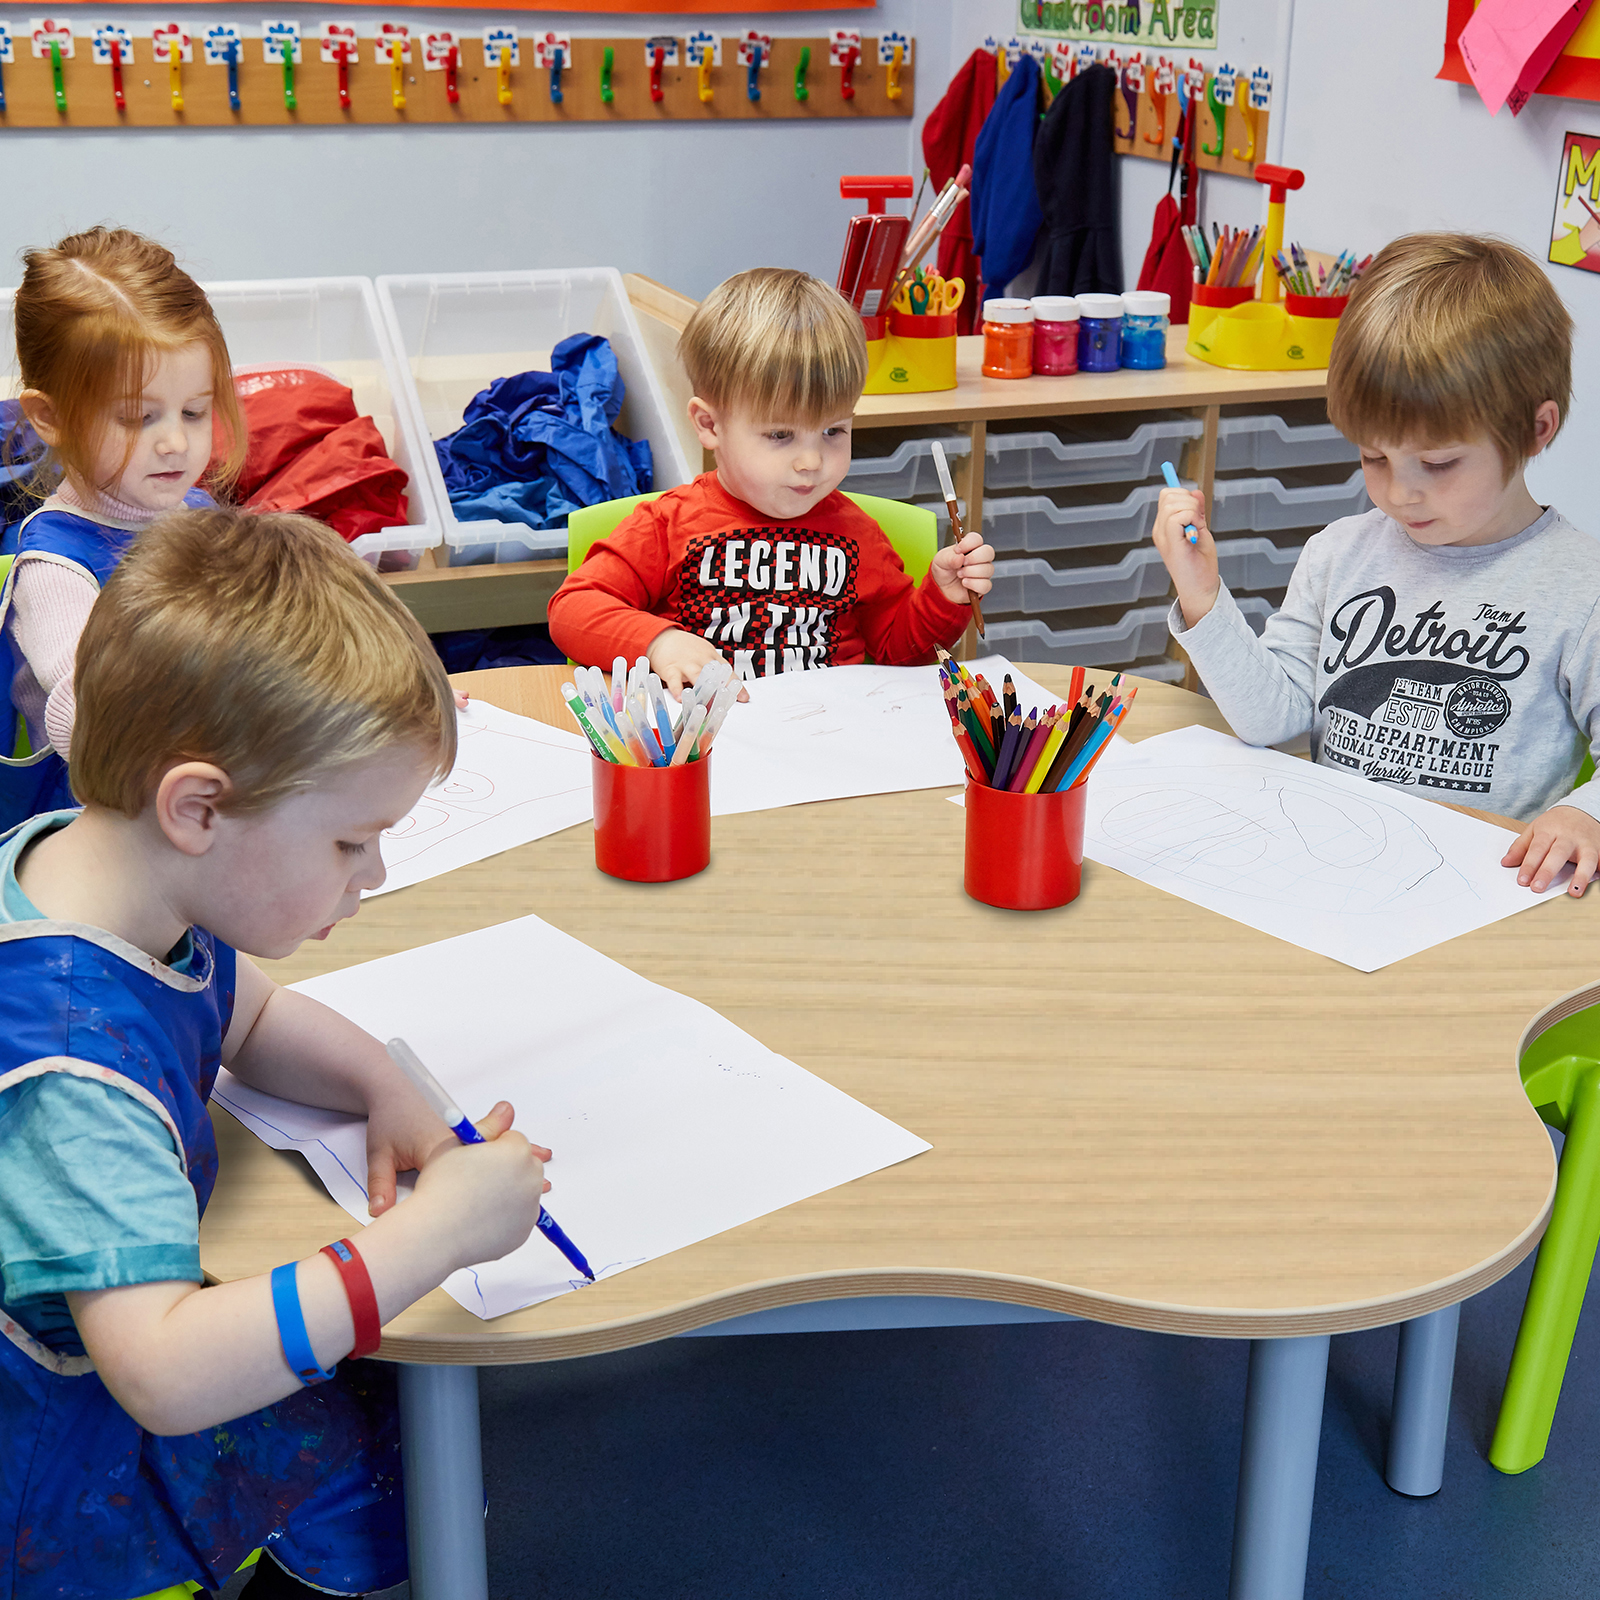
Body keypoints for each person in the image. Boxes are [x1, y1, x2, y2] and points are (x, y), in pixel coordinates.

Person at [0, 508, 550, 1599]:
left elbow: (244, 1018)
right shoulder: (71, 1074)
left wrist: (378, 1081)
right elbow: (165, 1373)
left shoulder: (110, 873)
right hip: (70, 1469)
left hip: (137, 1338)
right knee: (389, 1459)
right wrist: (436, 1235)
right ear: (199, 807)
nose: (372, 875)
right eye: (350, 841)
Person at [1150, 232, 1600, 898]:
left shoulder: (1582, 588)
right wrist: (1201, 594)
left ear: (1537, 430)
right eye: (1373, 457)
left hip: (1484, 896)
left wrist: (1585, 814)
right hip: (1336, 876)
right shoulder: (1340, 552)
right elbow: (1273, 718)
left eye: (1438, 463)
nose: (1400, 492)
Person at [546, 267, 994, 696]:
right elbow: (572, 609)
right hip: (709, 735)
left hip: (830, 731)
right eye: (780, 435)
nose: (811, 461)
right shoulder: (666, 524)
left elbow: (899, 651)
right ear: (710, 425)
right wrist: (658, 642)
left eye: (833, 430)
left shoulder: (861, 536)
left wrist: (944, 598)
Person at [0, 226, 246, 822]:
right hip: (103, 821)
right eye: (138, 418)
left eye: (194, 411)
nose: (175, 442)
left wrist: (373, 697)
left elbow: (284, 632)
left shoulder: (199, 514)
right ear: (50, 417)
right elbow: (88, 718)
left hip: (208, 793)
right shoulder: (55, 569)